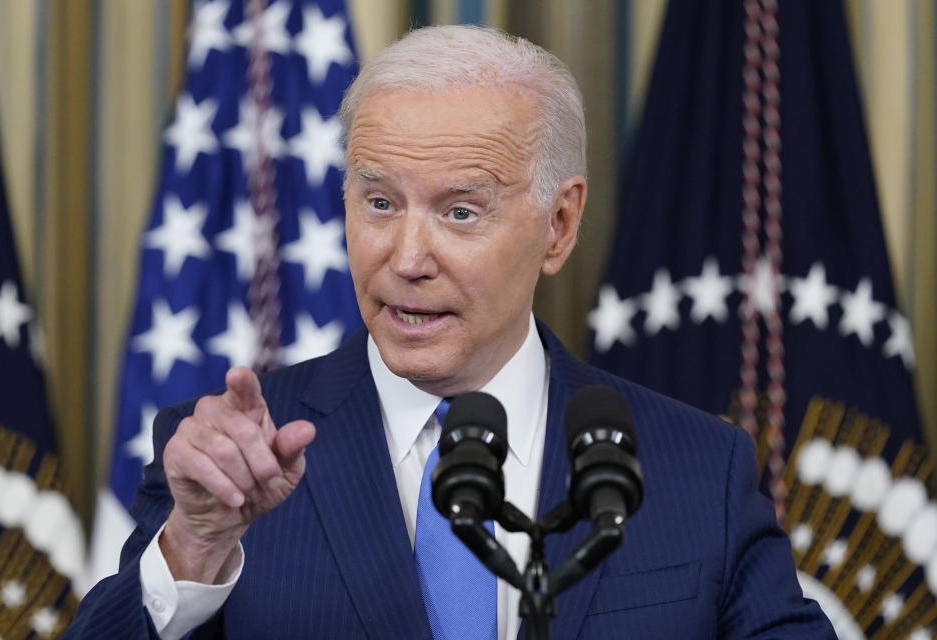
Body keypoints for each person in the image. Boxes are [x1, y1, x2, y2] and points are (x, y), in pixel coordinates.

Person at [64, 24, 835, 639]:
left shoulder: (699, 470)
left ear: (559, 226)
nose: (405, 259)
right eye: (378, 203)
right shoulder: (231, 466)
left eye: (460, 212)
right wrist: (193, 546)